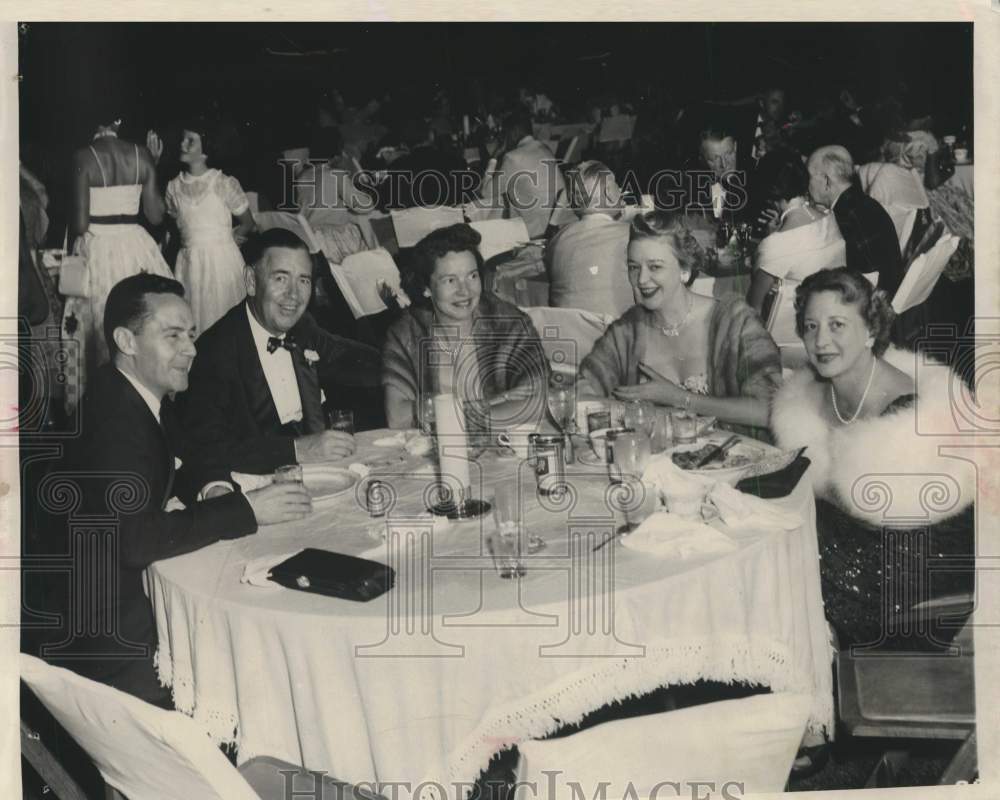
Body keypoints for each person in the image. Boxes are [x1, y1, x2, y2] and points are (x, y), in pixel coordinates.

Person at [27, 273, 312, 705]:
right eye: (173, 335)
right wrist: (247, 509)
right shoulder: (113, 423)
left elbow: (186, 455)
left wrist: (214, 487)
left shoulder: (133, 393)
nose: (192, 349)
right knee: (263, 675)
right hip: (110, 643)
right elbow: (135, 539)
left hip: (115, 606)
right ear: (127, 341)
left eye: (192, 335)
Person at [771, 267, 975, 647]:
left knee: (788, 551)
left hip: (919, 552)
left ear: (869, 331)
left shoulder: (905, 408)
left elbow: (899, 517)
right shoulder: (815, 388)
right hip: (856, 534)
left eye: (837, 325)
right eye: (811, 326)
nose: (821, 341)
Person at [178, 229, 381, 476]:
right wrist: (296, 450)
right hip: (255, 483)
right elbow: (204, 448)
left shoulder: (303, 326)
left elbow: (350, 357)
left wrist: (406, 361)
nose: (293, 295)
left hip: (316, 473)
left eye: (303, 280)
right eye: (280, 279)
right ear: (251, 281)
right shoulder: (214, 353)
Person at [578, 211, 782, 440]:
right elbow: (584, 390)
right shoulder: (627, 331)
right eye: (634, 267)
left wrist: (679, 398)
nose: (641, 280)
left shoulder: (735, 322)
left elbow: (771, 410)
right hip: (658, 467)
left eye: (655, 267)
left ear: (684, 271)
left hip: (733, 463)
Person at [382, 224, 549, 430]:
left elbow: (539, 403)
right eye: (450, 280)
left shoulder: (508, 323)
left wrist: (447, 416)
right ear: (426, 288)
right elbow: (397, 417)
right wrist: (490, 404)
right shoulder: (407, 333)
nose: (465, 291)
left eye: (472, 276)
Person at [70, 115, 173, 367]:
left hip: (98, 248)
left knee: (96, 331)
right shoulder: (141, 154)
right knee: (141, 322)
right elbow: (156, 216)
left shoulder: (83, 157)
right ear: (117, 122)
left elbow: (81, 225)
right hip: (136, 246)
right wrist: (152, 164)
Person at [150, 120, 256, 335]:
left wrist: (230, 238)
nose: (183, 145)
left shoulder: (222, 182)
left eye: (191, 141)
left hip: (223, 263)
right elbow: (169, 220)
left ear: (206, 149)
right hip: (190, 266)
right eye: (183, 139)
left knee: (227, 321)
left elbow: (248, 223)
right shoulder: (174, 187)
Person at [746, 153, 846, 326]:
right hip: (831, 321)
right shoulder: (830, 218)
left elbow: (753, 306)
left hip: (785, 336)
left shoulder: (774, 244)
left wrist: (770, 239)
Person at [806, 145, 903, 299]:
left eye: (809, 176)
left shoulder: (845, 218)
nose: (807, 184)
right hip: (885, 291)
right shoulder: (863, 203)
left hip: (867, 303)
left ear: (826, 181)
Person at [544, 160, 634, 318]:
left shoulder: (557, 240)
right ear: (608, 193)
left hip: (569, 333)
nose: (620, 190)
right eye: (616, 186)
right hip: (614, 334)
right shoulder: (631, 236)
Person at [478, 109, 573, 238]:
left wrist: (495, 155)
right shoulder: (544, 148)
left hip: (539, 232)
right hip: (561, 222)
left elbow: (486, 193)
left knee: (489, 209)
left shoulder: (513, 158)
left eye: (505, 134)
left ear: (514, 133)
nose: (504, 139)